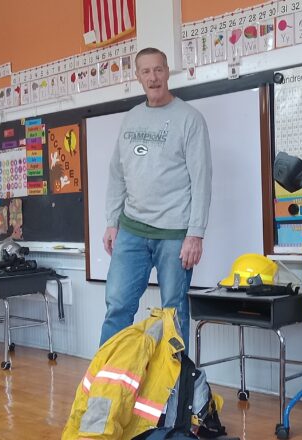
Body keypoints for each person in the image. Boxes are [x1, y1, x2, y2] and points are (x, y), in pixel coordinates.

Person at [99, 48, 212, 347]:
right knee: (117, 307)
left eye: (159, 69)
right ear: (138, 77)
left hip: (174, 233)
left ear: (167, 72)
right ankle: (106, 385)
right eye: (146, 71)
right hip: (131, 230)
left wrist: (195, 234)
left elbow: (201, 179)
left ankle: (173, 388)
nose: (153, 77)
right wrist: (112, 222)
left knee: (173, 314)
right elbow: (116, 173)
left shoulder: (189, 119)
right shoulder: (131, 118)